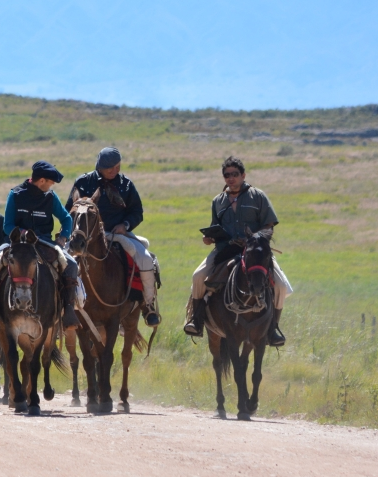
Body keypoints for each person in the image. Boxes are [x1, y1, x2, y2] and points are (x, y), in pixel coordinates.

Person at [185, 156, 291, 345]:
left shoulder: (258, 196)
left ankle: (273, 328)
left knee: (281, 285)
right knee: (198, 276)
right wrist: (208, 238)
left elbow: (269, 226)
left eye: (235, 174)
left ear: (243, 175)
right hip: (225, 250)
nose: (231, 178)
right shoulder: (218, 201)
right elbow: (214, 227)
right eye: (227, 175)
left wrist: (252, 238)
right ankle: (196, 320)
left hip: (255, 251)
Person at [0, 161, 80, 328]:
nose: (51, 186)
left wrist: (63, 237)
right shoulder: (15, 194)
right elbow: (7, 225)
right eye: (51, 182)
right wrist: (22, 233)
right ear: (42, 180)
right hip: (17, 243)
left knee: (72, 265)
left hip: (44, 242)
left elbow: (66, 218)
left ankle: (69, 311)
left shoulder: (50, 197)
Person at [68, 147, 161, 327]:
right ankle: (62, 308)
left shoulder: (126, 185)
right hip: (86, 237)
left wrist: (125, 225)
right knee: (62, 261)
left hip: (117, 234)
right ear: (99, 166)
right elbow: (68, 210)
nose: (114, 171)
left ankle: (148, 306)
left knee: (145, 258)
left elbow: (137, 212)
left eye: (117, 166)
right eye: (109, 168)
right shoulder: (83, 182)